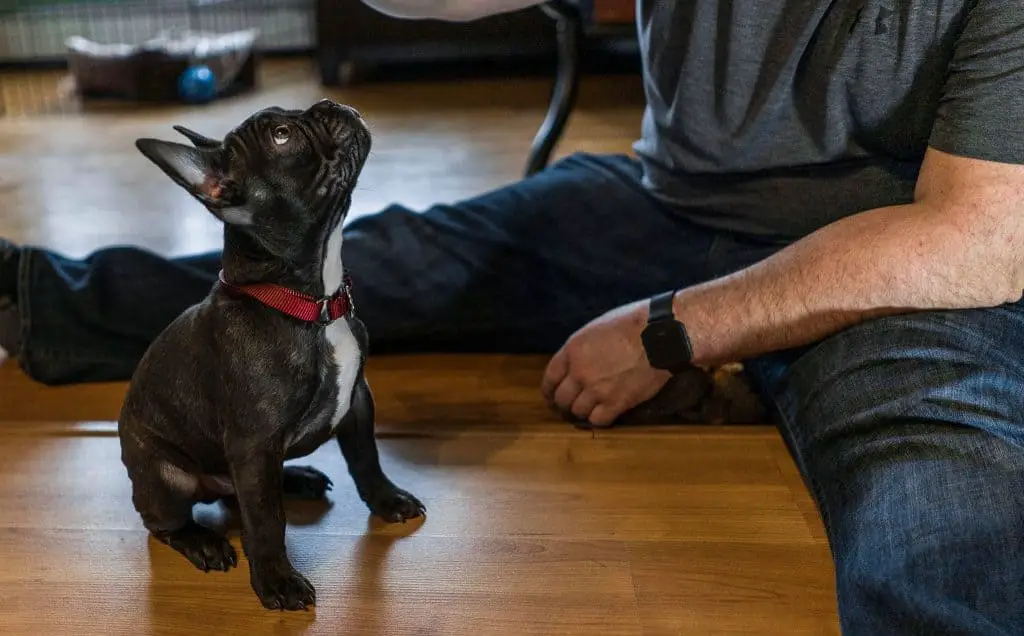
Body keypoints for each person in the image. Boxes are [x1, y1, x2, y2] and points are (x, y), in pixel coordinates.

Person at [2, 0, 1023, 631]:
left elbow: (982, 234)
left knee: (938, 500)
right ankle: (28, 296)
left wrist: (671, 330)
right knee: (330, 278)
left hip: (894, 253)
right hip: (664, 200)